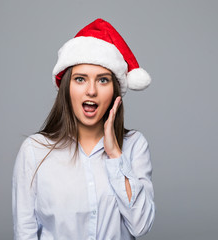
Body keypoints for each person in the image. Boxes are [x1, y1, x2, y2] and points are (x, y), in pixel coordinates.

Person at [12, 18, 155, 240]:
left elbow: (141, 225)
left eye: (103, 80)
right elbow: (25, 231)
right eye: (80, 79)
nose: (91, 91)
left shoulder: (134, 146)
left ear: (115, 91)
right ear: (66, 88)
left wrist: (116, 155)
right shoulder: (34, 151)